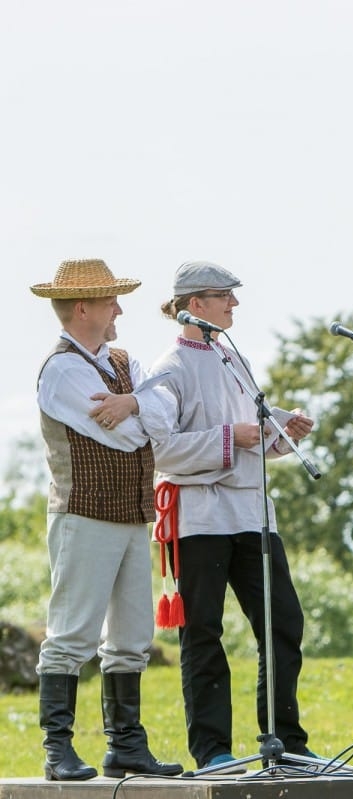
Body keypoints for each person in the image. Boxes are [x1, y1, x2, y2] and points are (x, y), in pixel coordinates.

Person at [149, 260, 318, 769]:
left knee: (283, 622)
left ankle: (284, 740)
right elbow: (159, 450)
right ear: (195, 305)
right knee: (203, 633)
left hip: (251, 513)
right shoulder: (169, 368)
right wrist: (233, 438)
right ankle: (213, 749)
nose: (235, 304)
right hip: (199, 518)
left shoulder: (232, 360)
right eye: (225, 296)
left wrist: (280, 428)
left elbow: (248, 430)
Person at [31, 258, 182, 781]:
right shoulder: (62, 370)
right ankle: (58, 750)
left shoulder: (123, 361)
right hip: (84, 513)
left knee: (132, 636)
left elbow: (164, 420)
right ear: (82, 308)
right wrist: (141, 411)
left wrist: (132, 405)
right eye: (110, 301)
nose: (119, 309)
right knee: (71, 634)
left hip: (128, 514)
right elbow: (126, 435)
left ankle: (126, 746)